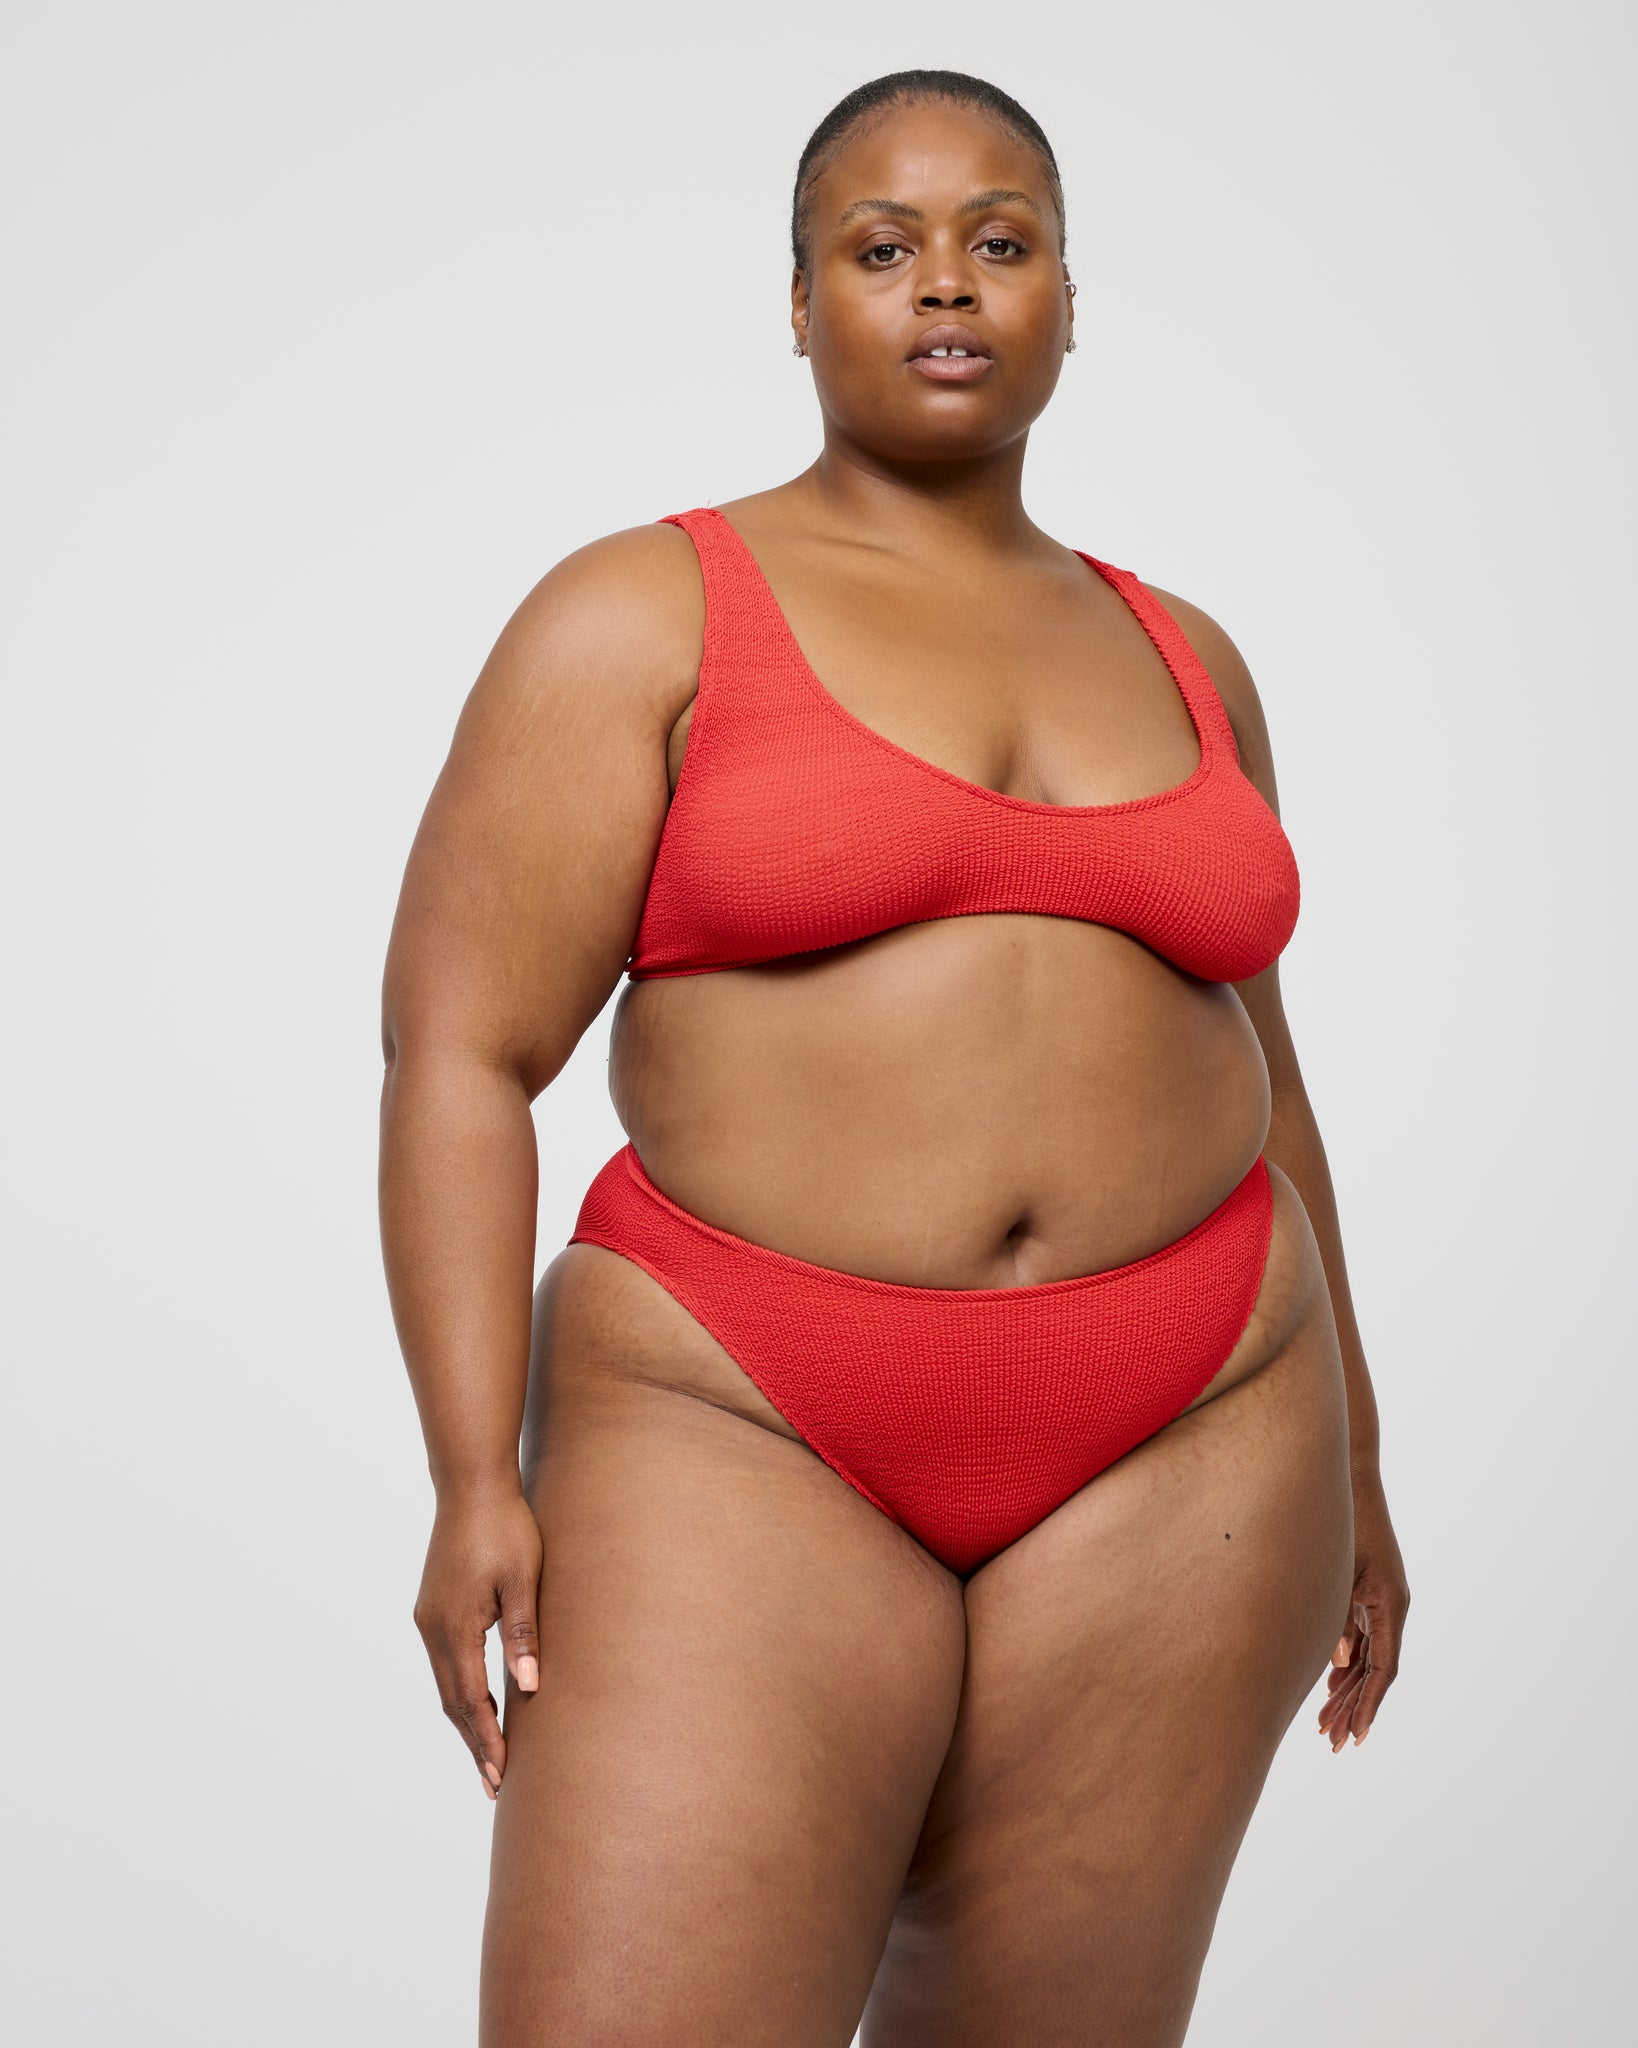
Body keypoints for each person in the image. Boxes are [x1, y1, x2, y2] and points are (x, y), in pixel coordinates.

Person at [378, 67, 1410, 2047]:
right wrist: (464, 1474)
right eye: (883, 246)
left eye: (1000, 241)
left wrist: (1360, 1456)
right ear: (799, 301)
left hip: (1193, 1427)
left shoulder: (1188, 652)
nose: (947, 281)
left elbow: (1267, 1080)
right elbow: (457, 1049)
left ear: (1067, 298)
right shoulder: (642, 609)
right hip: (740, 1402)